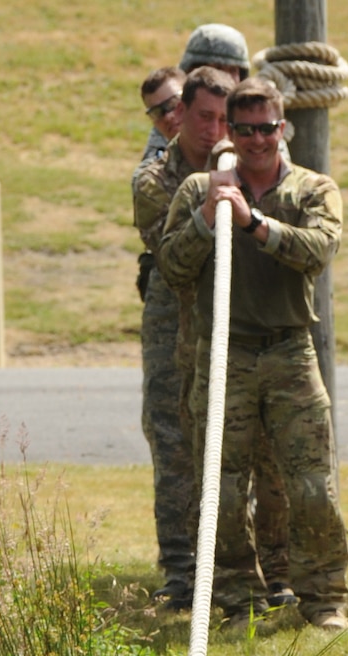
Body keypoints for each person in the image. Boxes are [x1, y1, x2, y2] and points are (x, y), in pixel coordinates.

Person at [159, 76, 348, 630]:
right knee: (220, 490)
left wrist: (254, 224)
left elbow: (319, 250)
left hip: (291, 352)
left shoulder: (313, 189)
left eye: (266, 128)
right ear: (231, 132)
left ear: (282, 128)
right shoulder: (200, 190)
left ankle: (324, 597)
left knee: (313, 485)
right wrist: (207, 220)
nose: (257, 141)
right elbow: (172, 267)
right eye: (245, 130)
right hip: (225, 355)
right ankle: (237, 598)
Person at [135, 68, 232, 611]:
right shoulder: (153, 180)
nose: (199, 125)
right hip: (173, 318)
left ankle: (241, 567)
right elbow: (170, 248)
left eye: (221, 118)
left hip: (235, 317)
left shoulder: (245, 165)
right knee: (172, 440)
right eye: (164, 112)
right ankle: (180, 570)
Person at [138, 25, 249, 182]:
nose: (224, 77)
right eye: (216, 67)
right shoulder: (176, 118)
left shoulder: (256, 120)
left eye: (232, 70)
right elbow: (146, 179)